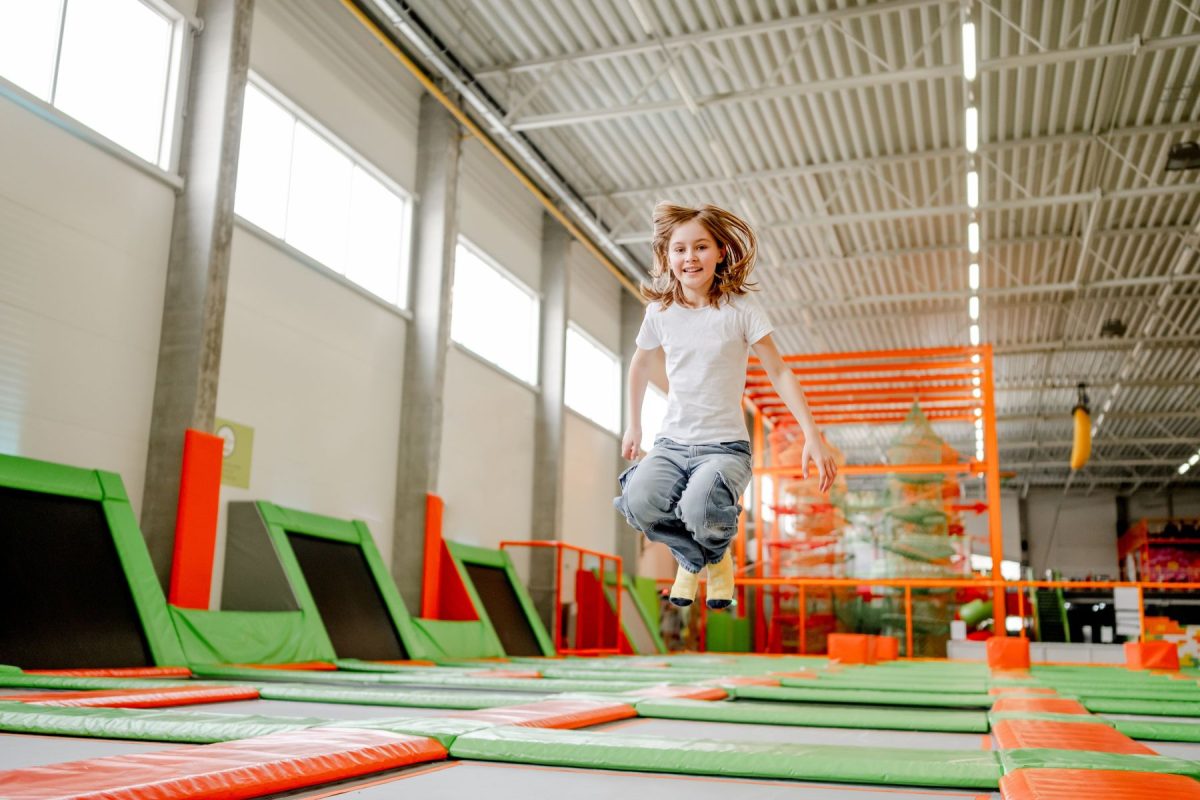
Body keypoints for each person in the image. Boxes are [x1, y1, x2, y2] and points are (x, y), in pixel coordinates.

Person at [614, 202, 837, 610]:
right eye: (679, 250)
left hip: (724, 448)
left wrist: (812, 435)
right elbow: (640, 363)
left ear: (720, 252)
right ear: (667, 257)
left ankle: (712, 555)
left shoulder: (740, 310)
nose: (689, 258)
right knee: (639, 501)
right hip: (671, 444)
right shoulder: (660, 312)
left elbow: (779, 371)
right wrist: (634, 426)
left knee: (701, 507)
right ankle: (699, 556)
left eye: (700, 247)